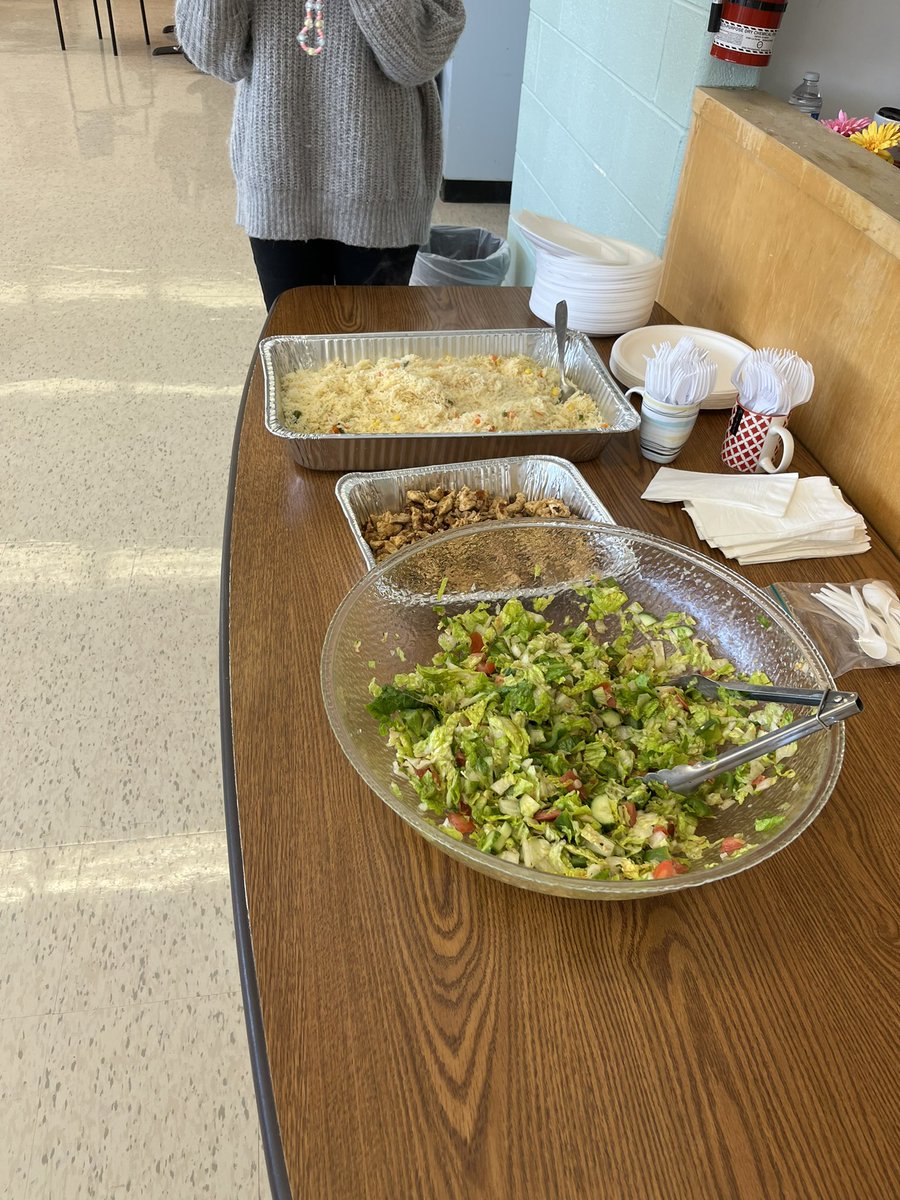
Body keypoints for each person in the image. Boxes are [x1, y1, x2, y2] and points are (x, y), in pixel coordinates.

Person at [174, 1, 467, 308]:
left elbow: (417, 60)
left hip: (379, 182)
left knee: (374, 336)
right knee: (295, 334)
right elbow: (214, 56)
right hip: (278, 174)